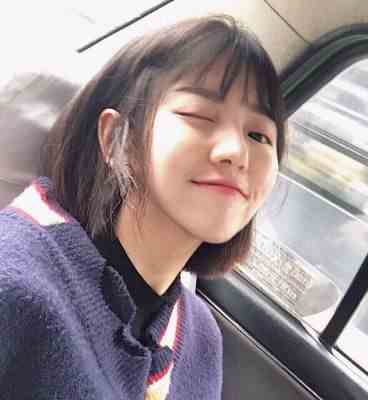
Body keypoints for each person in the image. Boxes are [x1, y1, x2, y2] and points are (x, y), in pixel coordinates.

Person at [0, 14, 286, 400]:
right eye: (198, 115)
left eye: (259, 135)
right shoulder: (14, 284)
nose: (236, 152)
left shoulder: (202, 339)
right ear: (116, 137)